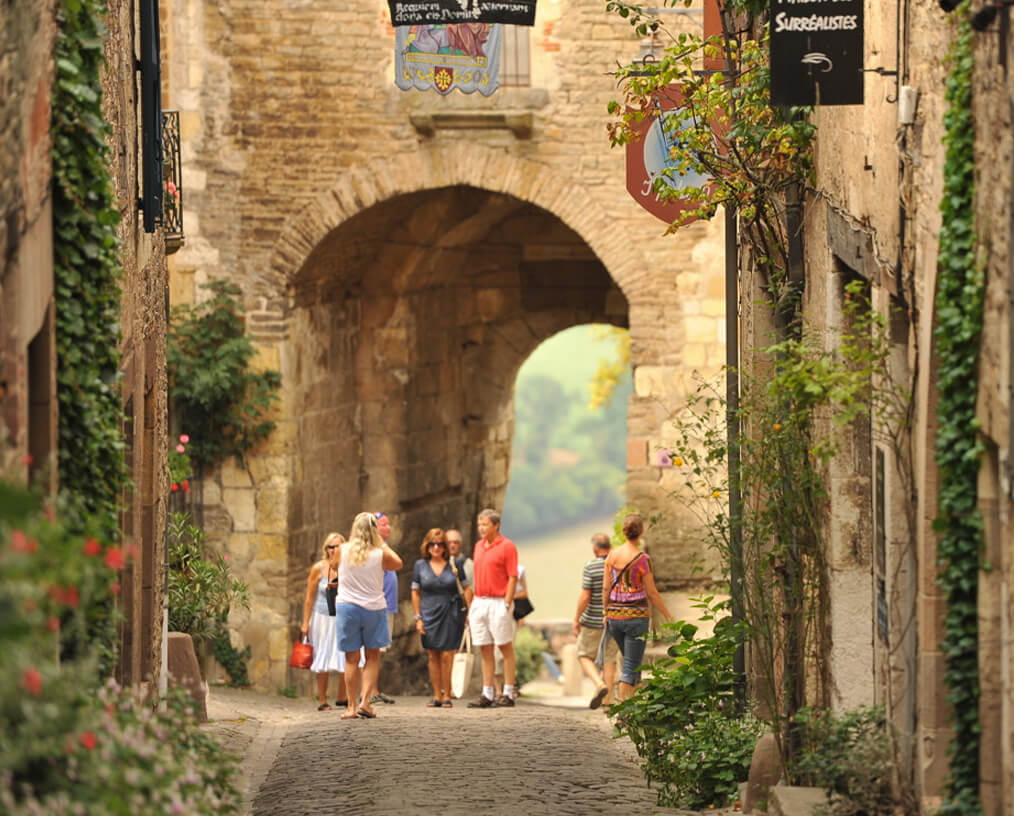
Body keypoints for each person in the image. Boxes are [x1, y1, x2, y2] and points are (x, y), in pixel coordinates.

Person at [335, 512, 403, 719]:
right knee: (373, 657)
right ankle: (366, 702)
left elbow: (332, 567)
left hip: (347, 608)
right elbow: (398, 563)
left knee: (351, 659)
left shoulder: (342, 550)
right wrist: (381, 543)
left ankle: (351, 707)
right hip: (374, 608)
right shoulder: (379, 554)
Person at [602, 513, 674, 702]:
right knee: (631, 665)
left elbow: (605, 587)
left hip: (614, 617)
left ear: (624, 532)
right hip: (636, 617)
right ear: (641, 532)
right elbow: (651, 592)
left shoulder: (612, 556)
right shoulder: (642, 559)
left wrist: (605, 611)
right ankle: (625, 711)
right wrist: (667, 614)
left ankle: (637, 705)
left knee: (631, 661)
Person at [411, 528, 473, 707]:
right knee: (433, 654)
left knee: (448, 654)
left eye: (440, 544)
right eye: (432, 544)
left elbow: (467, 588)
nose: (436, 548)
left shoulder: (455, 564)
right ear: (427, 546)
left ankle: (447, 693)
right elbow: (415, 592)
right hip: (429, 613)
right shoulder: (420, 566)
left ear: (445, 547)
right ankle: (437, 694)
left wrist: (468, 610)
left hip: (451, 612)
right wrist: (418, 618)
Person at [467, 508, 519, 708]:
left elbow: (513, 575)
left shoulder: (507, 546)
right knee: (484, 647)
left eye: (485, 524)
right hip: (480, 600)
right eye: (479, 524)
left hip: (498, 600)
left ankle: (507, 691)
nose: (481, 528)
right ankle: (487, 692)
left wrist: (507, 601)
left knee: (504, 646)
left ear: (496, 525)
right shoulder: (479, 546)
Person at [572, 533, 619, 709]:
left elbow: (585, 596)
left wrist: (576, 619)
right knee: (609, 659)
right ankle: (608, 704)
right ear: (610, 546)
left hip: (592, 621)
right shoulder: (617, 566)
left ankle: (599, 685)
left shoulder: (591, 567)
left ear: (594, 549)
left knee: (583, 655)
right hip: (614, 619)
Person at [300, 533, 346, 710]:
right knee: (322, 655)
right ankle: (322, 699)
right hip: (321, 617)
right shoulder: (318, 568)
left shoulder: (347, 567)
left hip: (341, 616)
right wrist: (305, 622)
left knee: (346, 654)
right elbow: (309, 598)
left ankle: (343, 696)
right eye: (330, 546)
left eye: (337, 546)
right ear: (325, 549)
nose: (334, 550)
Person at [373, 511, 397, 705]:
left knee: (379, 651)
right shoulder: (375, 549)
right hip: (379, 605)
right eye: (383, 524)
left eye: (388, 524)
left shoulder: (385, 547)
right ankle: (371, 690)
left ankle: (375, 688)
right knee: (374, 649)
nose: (387, 527)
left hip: (389, 605)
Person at [493, 563, 527, 699]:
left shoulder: (519, 570)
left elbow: (524, 593)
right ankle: (497, 690)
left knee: (508, 651)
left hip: (510, 614)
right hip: (494, 611)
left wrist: (510, 596)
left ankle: (509, 687)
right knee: (495, 653)